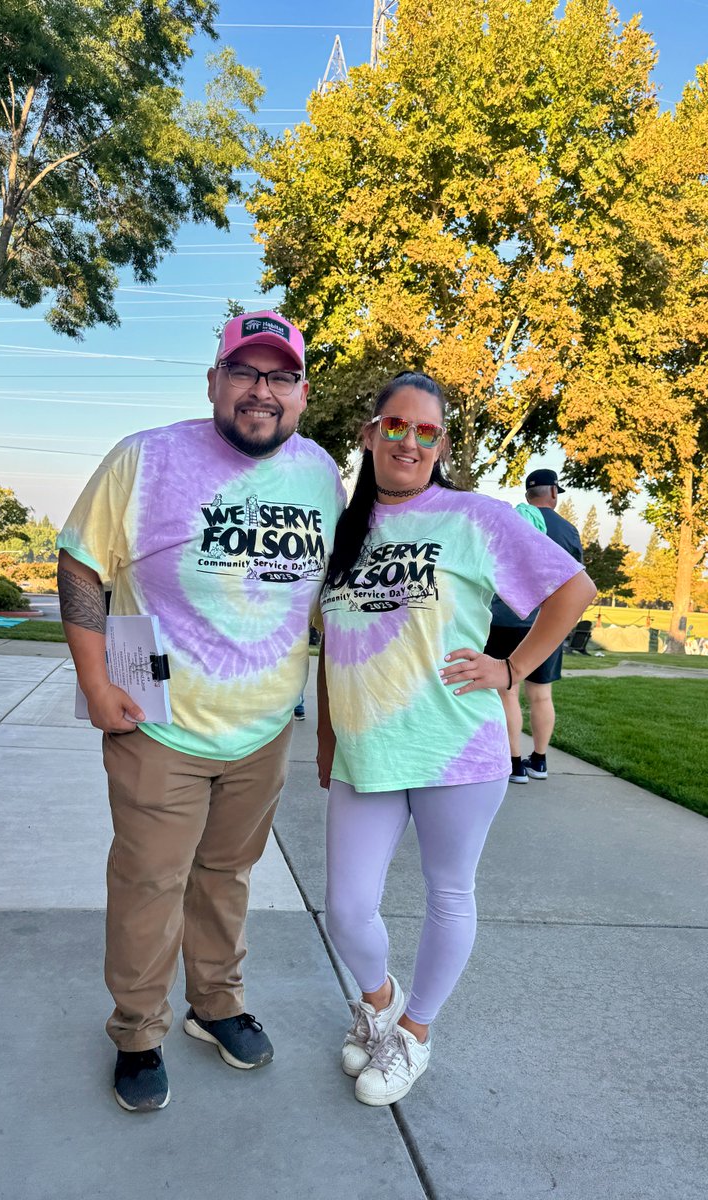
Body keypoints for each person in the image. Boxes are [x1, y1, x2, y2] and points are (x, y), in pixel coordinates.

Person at [57, 310, 345, 1112]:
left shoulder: (321, 473)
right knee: (151, 881)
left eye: (279, 376)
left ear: (302, 392)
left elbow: (328, 599)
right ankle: (139, 1031)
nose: (262, 390)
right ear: (214, 382)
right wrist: (95, 677)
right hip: (158, 722)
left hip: (261, 730)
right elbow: (82, 560)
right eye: (245, 373)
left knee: (226, 877)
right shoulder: (146, 457)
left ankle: (214, 1005)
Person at [315, 372, 595, 1107]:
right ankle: (377, 1003)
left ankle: (414, 1032)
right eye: (395, 426)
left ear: (441, 444)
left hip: (455, 751)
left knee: (448, 895)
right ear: (371, 435)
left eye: (427, 431)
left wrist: (512, 668)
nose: (410, 441)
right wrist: (325, 739)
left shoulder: (474, 517)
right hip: (366, 752)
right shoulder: (344, 529)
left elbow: (575, 592)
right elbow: (332, 642)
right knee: (346, 907)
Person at [485, 469, 585, 784]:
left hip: (504, 620)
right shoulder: (567, 531)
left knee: (507, 692)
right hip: (545, 623)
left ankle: (514, 764)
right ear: (553, 492)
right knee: (541, 694)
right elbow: (575, 583)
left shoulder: (511, 521)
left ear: (529, 494)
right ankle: (539, 761)